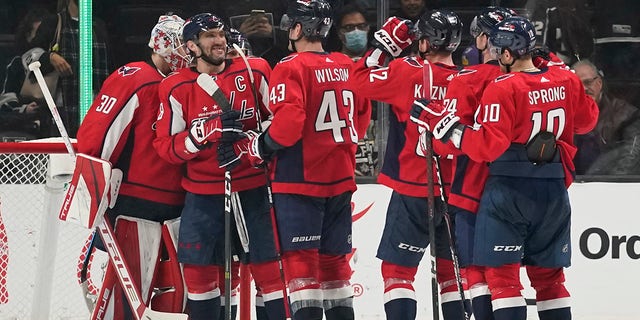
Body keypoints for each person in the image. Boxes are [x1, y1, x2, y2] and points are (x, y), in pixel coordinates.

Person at [410, 16, 599, 320]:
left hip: (510, 189)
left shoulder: (503, 86)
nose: (496, 58)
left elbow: (487, 146)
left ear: (508, 53)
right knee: (550, 281)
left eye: (500, 51)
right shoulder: (563, 78)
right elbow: (588, 120)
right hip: (554, 189)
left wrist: (445, 126)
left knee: (502, 280)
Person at [218, 0, 370, 319]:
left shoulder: (290, 66)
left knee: (301, 268)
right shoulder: (346, 63)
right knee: (336, 267)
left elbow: (288, 126)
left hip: (300, 181)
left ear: (299, 29)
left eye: (292, 25)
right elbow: (362, 116)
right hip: (341, 179)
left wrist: (260, 146)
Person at [152, 13, 287, 320]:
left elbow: (279, 119)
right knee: (200, 275)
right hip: (202, 195)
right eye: (210, 35)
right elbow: (165, 147)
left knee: (269, 270)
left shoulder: (256, 71)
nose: (219, 41)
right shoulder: (175, 87)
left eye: (221, 34)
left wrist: (253, 144)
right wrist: (200, 134)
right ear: (191, 46)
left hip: (253, 188)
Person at [347, 9, 468, 320]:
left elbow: (359, 79)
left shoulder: (407, 72)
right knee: (452, 274)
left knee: (397, 272)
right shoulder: (471, 80)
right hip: (459, 190)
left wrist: (385, 46)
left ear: (425, 42)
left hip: (416, 187)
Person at [75, 14, 190, 319]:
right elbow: (97, 135)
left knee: (175, 296)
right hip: (133, 206)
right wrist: (95, 187)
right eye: (182, 46)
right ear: (164, 45)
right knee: (120, 301)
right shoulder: (136, 76)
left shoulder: (185, 84)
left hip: (178, 209)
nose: (187, 54)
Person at [437, 7, 514, 320]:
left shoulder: (466, 79)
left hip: (473, 190)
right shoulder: (528, 76)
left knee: (476, 272)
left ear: (485, 39)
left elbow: (445, 144)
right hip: (517, 188)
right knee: (509, 277)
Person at [30, 0, 111, 137]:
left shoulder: (99, 26)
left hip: (95, 105)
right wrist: (49, 57)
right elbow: (29, 55)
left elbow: (110, 65)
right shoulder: (54, 22)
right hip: (61, 107)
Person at [571, 59, 640, 175]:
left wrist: (606, 187)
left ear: (599, 83)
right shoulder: (560, 115)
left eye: (588, 82)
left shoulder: (626, 114)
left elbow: (630, 156)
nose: (584, 89)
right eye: (577, 85)